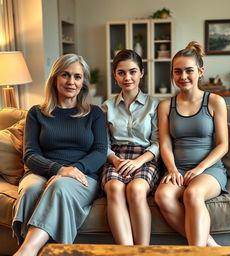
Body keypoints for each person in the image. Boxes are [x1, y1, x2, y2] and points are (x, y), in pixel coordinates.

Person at [12, 54, 108, 256]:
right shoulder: (36, 113)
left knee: (59, 185)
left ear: (83, 83)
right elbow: (30, 154)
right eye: (65, 75)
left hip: (82, 176)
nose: (71, 82)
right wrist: (59, 169)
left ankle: (27, 251)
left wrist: (74, 170)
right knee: (29, 189)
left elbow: (100, 152)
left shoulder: (95, 113)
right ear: (55, 78)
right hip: (42, 171)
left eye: (77, 77)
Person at [154, 41, 228, 246]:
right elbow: (165, 143)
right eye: (177, 72)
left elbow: (223, 145)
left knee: (193, 194)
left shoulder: (215, 101)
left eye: (189, 71)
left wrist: (199, 168)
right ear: (172, 74)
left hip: (209, 170)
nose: (183, 77)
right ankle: (211, 246)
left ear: (200, 71)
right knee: (162, 196)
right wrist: (172, 169)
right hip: (178, 169)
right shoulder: (166, 105)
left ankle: (197, 251)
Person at [101, 49, 160, 245]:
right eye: (121, 72)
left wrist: (137, 162)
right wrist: (116, 160)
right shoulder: (106, 107)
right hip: (115, 159)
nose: (127, 77)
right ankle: (126, 251)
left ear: (142, 73)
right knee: (114, 188)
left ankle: (142, 250)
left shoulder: (155, 105)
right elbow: (103, 144)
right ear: (114, 75)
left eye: (133, 71)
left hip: (144, 158)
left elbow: (159, 142)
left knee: (136, 189)